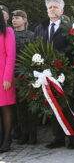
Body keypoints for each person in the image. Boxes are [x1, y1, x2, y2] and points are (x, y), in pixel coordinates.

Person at [33, 0, 74, 149]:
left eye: (55, 7)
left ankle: (72, 137)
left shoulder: (69, 28)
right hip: (46, 74)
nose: (52, 10)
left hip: (64, 72)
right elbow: (35, 49)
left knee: (68, 105)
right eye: (49, 7)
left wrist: (62, 62)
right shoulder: (40, 28)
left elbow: (73, 49)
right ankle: (58, 138)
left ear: (62, 9)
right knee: (52, 104)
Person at [12, 10, 37, 144]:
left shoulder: (31, 35)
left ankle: (33, 134)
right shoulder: (10, 35)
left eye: (17, 18)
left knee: (30, 105)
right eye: (13, 18)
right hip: (15, 74)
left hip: (28, 74)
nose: (14, 20)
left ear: (25, 20)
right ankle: (24, 133)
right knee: (19, 106)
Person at [0, 8, 16, 153]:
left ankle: (7, 141)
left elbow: (11, 56)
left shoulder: (8, 31)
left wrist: (7, 78)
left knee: (5, 108)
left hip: (4, 77)